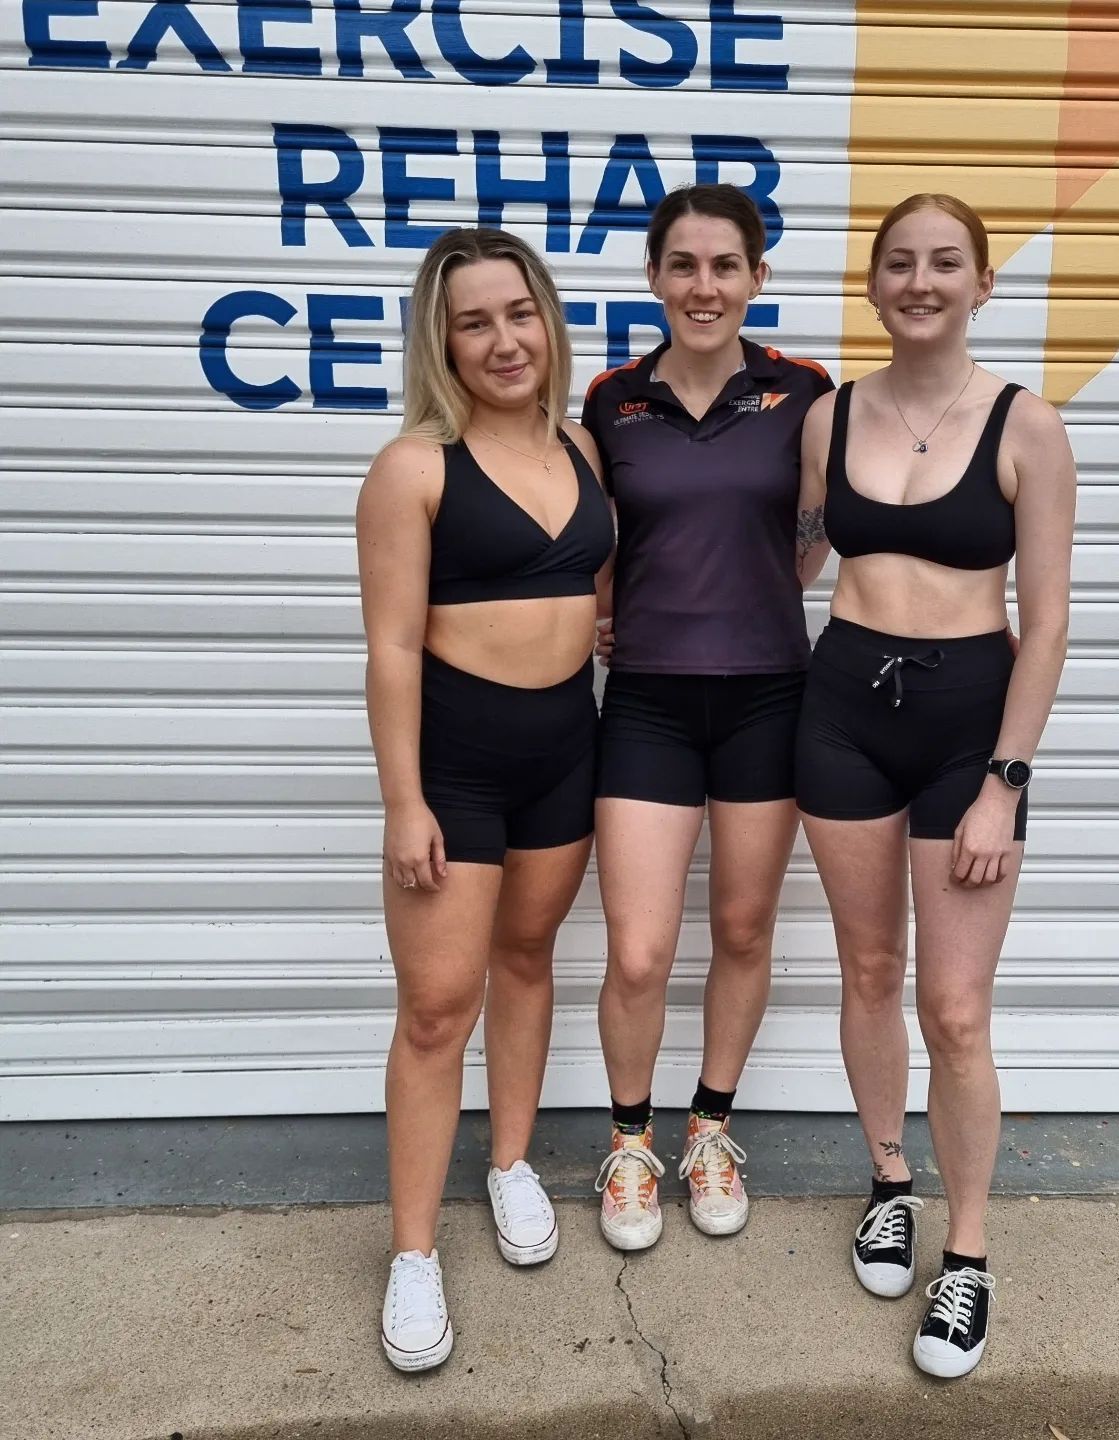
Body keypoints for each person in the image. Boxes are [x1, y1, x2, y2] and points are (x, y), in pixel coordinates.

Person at [793, 193, 1076, 1378]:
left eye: (945, 263)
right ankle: (888, 1181)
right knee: (868, 969)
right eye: (900, 263)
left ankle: (966, 1255)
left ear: (982, 283)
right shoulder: (828, 416)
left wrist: (1006, 782)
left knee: (955, 1010)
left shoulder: (1027, 426)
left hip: (971, 732)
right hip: (842, 709)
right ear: (873, 285)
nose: (922, 281)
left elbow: (1049, 621)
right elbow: (794, 553)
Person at [356, 227, 613, 1371]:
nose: (504, 339)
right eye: (475, 322)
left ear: (546, 320)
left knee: (526, 962)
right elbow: (391, 652)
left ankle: (509, 1163)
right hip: (455, 763)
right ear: (442, 341)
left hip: (569, 747)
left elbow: (589, 591)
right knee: (433, 1009)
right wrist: (404, 799)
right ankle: (412, 1254)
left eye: (519, 313)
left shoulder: (584, 450)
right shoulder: (413, 467)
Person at [581, 184, 833, 1250]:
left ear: (757, 278)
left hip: (769, 696)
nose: (703, 285)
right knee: (638, 952)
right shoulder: (610, 400)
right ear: (652, 277)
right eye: (682, 264)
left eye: (725, 265)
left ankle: (711, 1127)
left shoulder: (806, 391)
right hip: (646, 700)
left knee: (739, 928)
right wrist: (602, 614)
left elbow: (817, 528)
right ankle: (631, 1144)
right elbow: (591, 542)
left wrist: (760, 596)